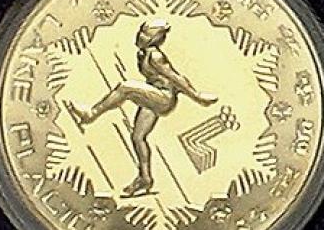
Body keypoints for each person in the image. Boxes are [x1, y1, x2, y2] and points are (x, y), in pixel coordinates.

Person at [66, 20, 215, 196]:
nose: (141, 37)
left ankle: (91, 114)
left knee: (125, 87)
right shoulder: (143, 54)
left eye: (146, 34)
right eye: (141, 32)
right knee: (138, 137)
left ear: (155, 38)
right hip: (152, 97)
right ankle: (145, 178)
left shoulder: (155, 57)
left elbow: (176, 78)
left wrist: (197, 96)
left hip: (163, 98)